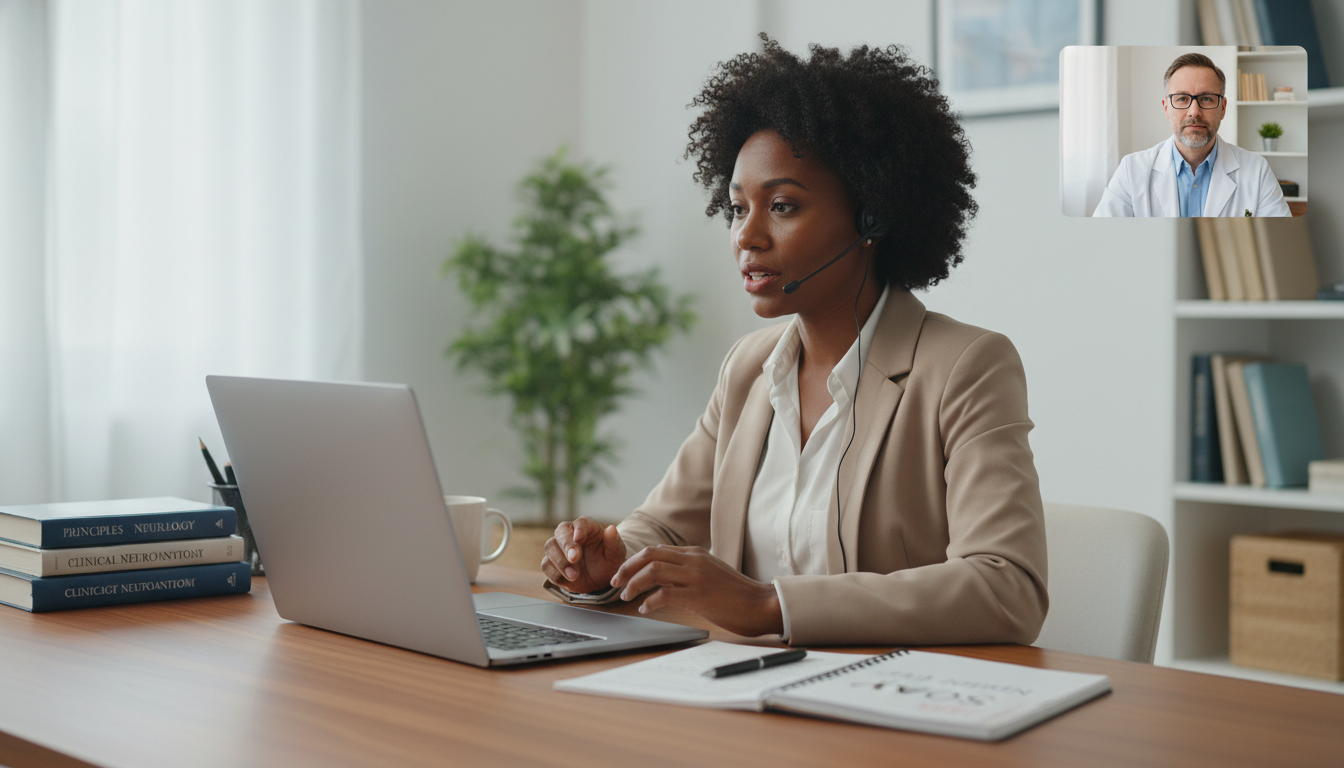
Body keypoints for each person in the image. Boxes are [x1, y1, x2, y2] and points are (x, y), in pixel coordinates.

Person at [541, 36, 1048, 647]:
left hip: (891, 713)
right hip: (745, 705)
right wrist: (604, 563)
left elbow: (1007, 587)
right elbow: (664, 529)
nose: (746, 236)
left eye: (782, 206)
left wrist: (766, 605)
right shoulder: (750, 369)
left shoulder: (966, 367)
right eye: (736, 209)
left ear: (872, 217)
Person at [1093, 52, 1290, 217]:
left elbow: (1279, 242)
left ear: (1222, 108)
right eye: (1181, 98)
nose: (1194, 111)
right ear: (1166, 108)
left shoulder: (1258, 171)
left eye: (1206, 98)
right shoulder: (1131, 171)